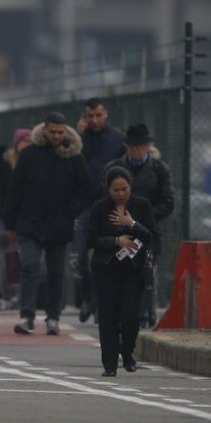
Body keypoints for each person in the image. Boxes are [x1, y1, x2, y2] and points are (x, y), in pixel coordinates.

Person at [3, 112, 90, 335]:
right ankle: (27, 316)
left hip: (59, 223)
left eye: (60, 132)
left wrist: (70, 212)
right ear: (44, 130)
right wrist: (11, 220)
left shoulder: (74, 157)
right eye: (52, 132)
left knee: (56, 272)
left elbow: (85, 189)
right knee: (29, 266)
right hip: (30, 221)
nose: (56, 136)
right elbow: (16, 188)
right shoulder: (29, 155)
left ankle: (53, 317)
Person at [88, 166, 159, 376]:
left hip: (133, 271)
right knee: (108, 318)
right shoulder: (100, 208)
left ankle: (127, 352)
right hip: (106, 270)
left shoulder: (142, 205)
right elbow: (91, 239)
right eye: (116, 190)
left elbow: (152, 235)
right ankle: (109, 364)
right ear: (108, 190)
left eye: (124, 189)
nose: (121, 194)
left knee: (130, 317)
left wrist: (132, 224)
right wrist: (116, 241)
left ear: (130, 187)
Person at [103, 124, 174, 328]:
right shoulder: (114, 168)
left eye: (140, 146)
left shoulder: (160, 170)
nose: (136, 150)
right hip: (119, 228)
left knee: (145, 273)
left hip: (147, 230)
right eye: (132, 146)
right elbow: (104, 197)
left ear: (148, 146)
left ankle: (143, 315)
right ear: (127, 146)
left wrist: (144, 218)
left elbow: (168, 201)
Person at [72, 98, 127, 324]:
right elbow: (70, 164)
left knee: (107, 257)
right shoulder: (77, 140)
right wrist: (76, 137)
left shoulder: (119, 140)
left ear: (106, 115)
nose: (94, 120)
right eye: (90, 116)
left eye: (99, 115)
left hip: (109, 204)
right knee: (81, 258)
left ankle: (101, 302)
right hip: (84, 205)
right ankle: (88, 298)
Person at [0, 128, 33, 309]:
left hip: (28, 217)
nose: (27, 145)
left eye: (30, 141)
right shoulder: (5, 162)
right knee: (4, 260)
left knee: (27, 260)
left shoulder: (35, 161)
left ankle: (22, 296)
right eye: (24, 141)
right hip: (6, 217)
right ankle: (6, 296)